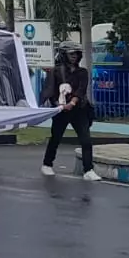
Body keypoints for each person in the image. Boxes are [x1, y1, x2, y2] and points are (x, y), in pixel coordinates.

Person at [41, 47, 98, 181]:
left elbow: (81, 89)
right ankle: (47, 164)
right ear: (63, 55)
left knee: (86, 140)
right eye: (71, 54)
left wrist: (72, 103)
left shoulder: (82, 72)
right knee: (56, 138)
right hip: (61, 111)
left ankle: (88, 170)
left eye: (77, 54)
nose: (74, 56)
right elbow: (50, 90)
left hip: (79, 109)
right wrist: (58, 104)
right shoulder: (55, 71)